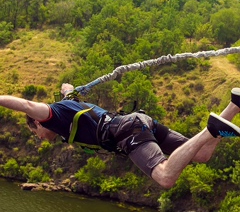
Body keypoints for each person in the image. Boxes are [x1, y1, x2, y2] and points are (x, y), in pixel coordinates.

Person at [1, 82, 240, 189]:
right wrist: (67, 88)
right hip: (139, 122)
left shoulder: (52, 115)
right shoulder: (67, 107)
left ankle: (211, 128)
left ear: (38, 123)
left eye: (36, 133)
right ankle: (235, 105)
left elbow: (26, 105)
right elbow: (69, 93)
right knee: (204, 154)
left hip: (127, 131)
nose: (39, 138)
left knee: (165, 177)